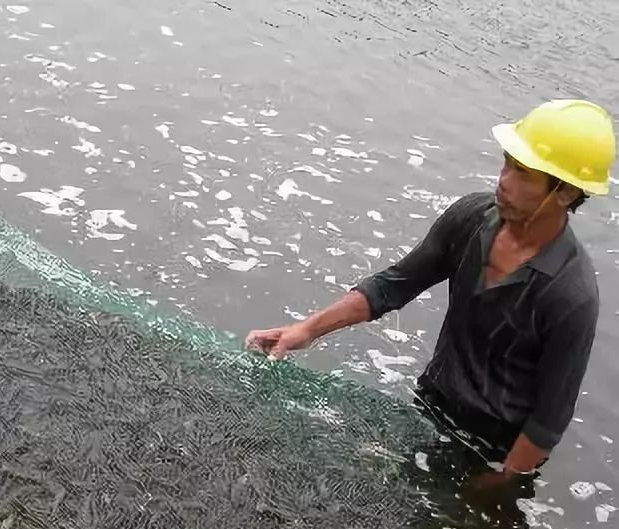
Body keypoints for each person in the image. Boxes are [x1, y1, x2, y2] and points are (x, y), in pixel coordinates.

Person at [246, 99, 616, 484]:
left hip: (493, 450)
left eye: (523, 173)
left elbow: (549, 420)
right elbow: (393, 285)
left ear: (565, 192)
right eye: (507, 162)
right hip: (432, 404)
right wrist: (305, 330)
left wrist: (500, 482)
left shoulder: (571, 295)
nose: (504, 180)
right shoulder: (472, 218)